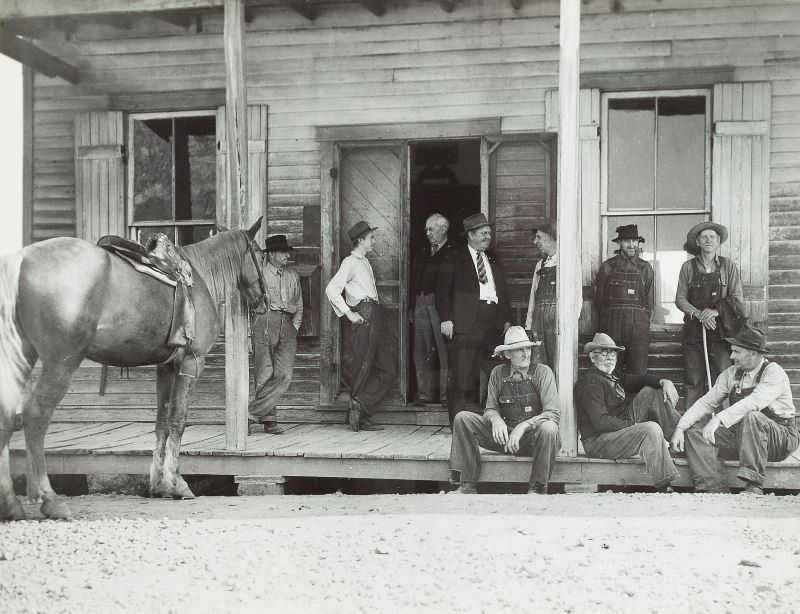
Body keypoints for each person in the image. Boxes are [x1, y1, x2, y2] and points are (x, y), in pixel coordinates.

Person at [671, 324, 799, 495]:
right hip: (743, 437)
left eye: (737, 352)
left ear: (754, 353)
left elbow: (754, 402)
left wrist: (718, 419)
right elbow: (706, 402)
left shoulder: (774, 373)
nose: (732, 356)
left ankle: (754, 485)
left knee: (753, 416)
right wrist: (681, 427)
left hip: (779, 439)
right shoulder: (731, 373)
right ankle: (712, 485)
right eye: (732, 351)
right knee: (695, 430)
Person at [449, 326, 561, 494]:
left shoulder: (542, 372)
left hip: (534, 440)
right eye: (519, 350)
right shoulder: (497, 373)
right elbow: (490, 408)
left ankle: (538, 487)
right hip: (506, 439)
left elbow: (552, 414)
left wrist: (522, 427)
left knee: (549, 428)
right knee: (462, 418)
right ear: (508, 354)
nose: (526, 354)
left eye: (528, 348)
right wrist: (495, 418)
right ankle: (467, 484)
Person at [574, 333, 681, 490]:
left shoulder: (612, 376)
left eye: (613, 353)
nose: (610, 357)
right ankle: (665, 485)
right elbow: (601, 422)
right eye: (604, 352)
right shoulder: (591, 382)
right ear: (592, 357)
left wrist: (663, 381)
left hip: (618, 430)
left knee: (651, 392)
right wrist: (634, 425)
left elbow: (639, 380)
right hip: (598, 442)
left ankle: (680, 439)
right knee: (650, 428)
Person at [436, 213, 512, 425]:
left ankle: (501, 420)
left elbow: (502, 291)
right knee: (460, 377)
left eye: (489, 232)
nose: (488, 236)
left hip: (491, 324)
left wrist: (505, 319)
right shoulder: (454, 257)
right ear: (470, 235)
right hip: (463, 325)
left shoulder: (493, 258)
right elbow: (442, 291)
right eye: (483, 233)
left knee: (499, 372)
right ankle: (458, 425)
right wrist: (446, 319)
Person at [325, 221, 396, 432]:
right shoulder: (351, 262)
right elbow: (331, 289)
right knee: (363, 365)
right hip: (364, 313)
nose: (374, 241)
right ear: (361, 240)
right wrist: (349, 313)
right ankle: (359, 417)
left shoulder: (363, 261)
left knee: (387, 368)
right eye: (371, 238)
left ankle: (360, 404)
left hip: (373, 312)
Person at [675, 221, 744, 410]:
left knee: (723, 378)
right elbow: (680, 299)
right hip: (693, 334)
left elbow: (737, 300)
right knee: (693, 380)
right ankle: (691, 428)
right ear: (697, 242)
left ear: (718, 241)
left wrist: (714, 312)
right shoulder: (687, 267)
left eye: (712, 237)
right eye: (704, 237)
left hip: (721, 334)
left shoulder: (727, 267)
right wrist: (698, 314)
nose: (708, 240)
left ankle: (723, 426)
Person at [248, 235, 303, 435]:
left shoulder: (293, 276)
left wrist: (294, 326)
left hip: (287, 324)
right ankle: (269, 419)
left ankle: (249, 414)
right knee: (264, 372)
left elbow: (299, 305)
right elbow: (249, 305)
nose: (287, 255)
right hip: (264, 321)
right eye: (283, 252)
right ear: (271, 254)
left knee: (284, 375)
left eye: (287, 252)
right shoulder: (259, 275)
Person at [594, 224, 654, 375]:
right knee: (611, 371)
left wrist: (640, 322)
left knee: (638, 373)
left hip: (638, 329)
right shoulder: (607, 267)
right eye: (627, 241)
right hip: (612, 327)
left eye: (635, 241)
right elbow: (599, 301)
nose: (632, 245)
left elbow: (649, 302)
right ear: (619, 243)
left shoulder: (645, 268)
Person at [411, 213, 452, 405]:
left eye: (431, 229)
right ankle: (424, 394)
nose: (428, 233)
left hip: (440, 304)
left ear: (443, 229)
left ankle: (446, 395)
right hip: (421, 302)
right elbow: (414, 279)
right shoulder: (422, 251)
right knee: (421, 348)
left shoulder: (453, 252)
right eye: (426, 229)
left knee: (444, 350)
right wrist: (412, 305)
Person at [524, 220, 557, 371]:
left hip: (557, 323)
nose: (535, 241)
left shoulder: (567, 262)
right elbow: (533, 298)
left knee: (558, 364)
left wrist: (567, 324)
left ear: (550, 238)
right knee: (539, 365)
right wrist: (529, 325)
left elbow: (576, 298)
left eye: (538, 237)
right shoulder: (540, 265)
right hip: (539, 322)